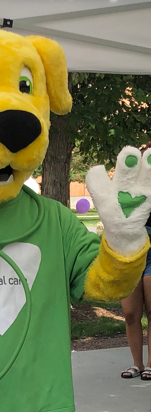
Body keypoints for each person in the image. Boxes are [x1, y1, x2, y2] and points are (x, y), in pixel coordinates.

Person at [121, 143, 151, 380]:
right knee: (130, 313)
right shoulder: (128, 187)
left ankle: (150, 364)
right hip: (130, 250)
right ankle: (136, 363)